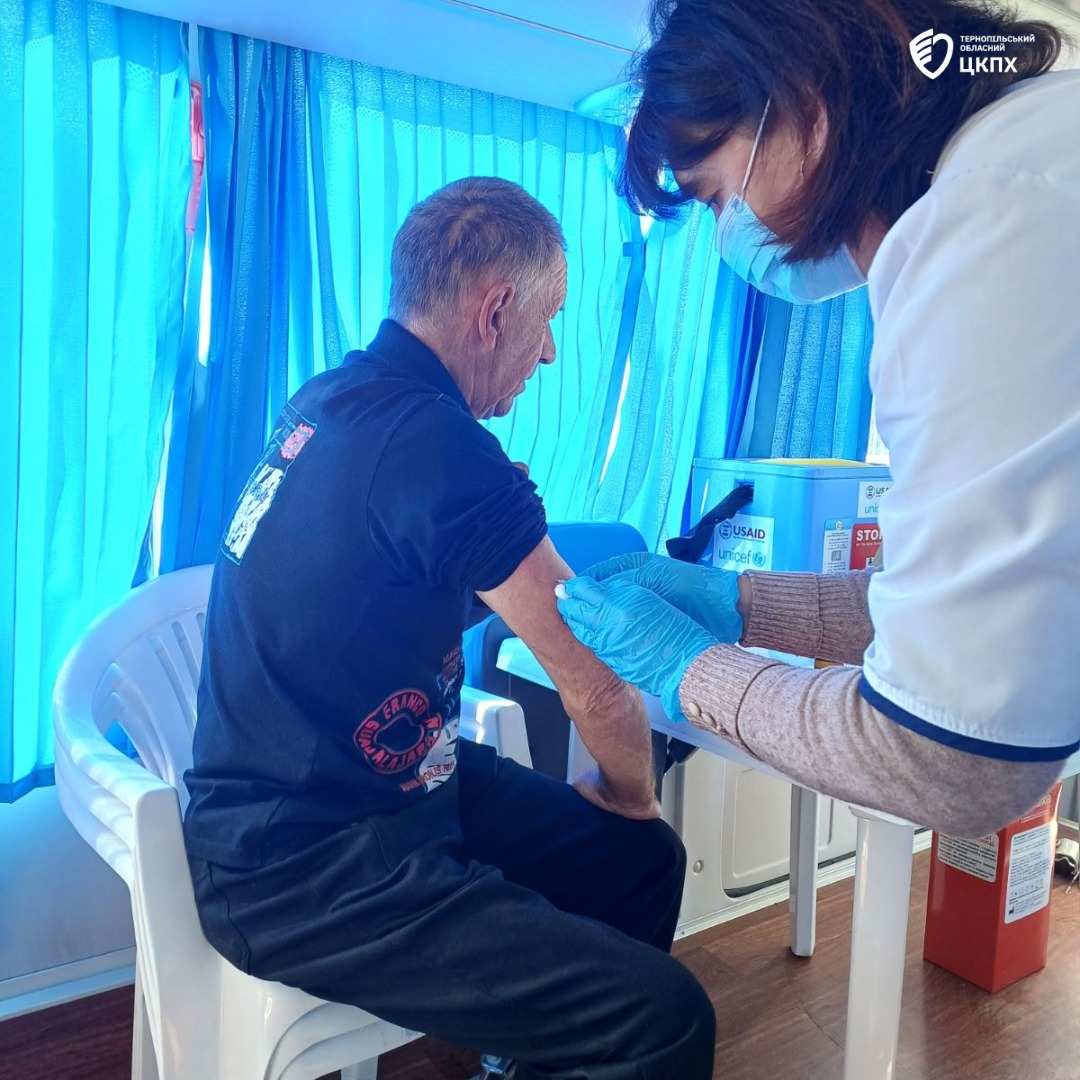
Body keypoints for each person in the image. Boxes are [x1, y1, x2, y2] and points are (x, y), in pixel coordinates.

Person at [182, 177, 715, 1080]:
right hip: (302, 861)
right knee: (666, 1016)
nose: (550, 353)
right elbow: (594, 684)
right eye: (549, 321)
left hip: (370, 784)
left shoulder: (333, 396)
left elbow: (375, 587)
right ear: (495, 312)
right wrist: (631, 793)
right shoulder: (437, 444)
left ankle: (532, 1053)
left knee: (644, 866)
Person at [558, 0, 1080, 837]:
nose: (728, 232)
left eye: (716, 195)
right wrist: (745, 602)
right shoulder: (1033, 148)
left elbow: (949, 759)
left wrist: (691, 667)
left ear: (800, 97)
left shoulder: (982, 232)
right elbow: (958, 614)